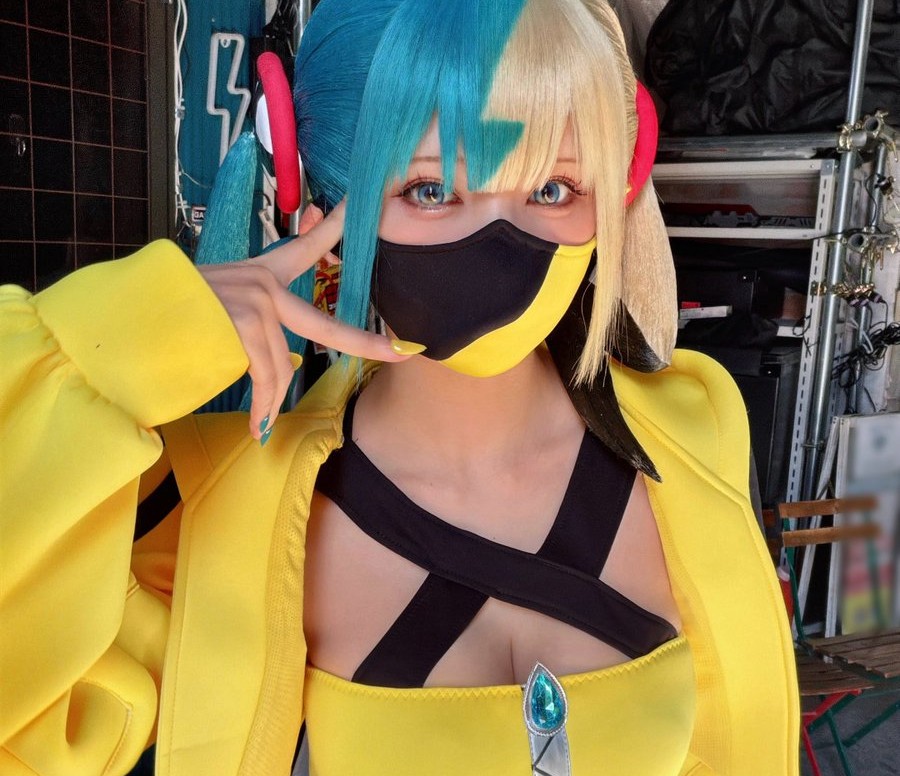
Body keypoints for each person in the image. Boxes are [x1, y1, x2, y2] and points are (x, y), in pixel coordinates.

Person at [0, 1, 799, 775]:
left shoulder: (694, 428)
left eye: (553, 189)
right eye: (431, 190)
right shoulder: (227, 507)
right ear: (319, 207)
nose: (502, 243)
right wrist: (126, 338)